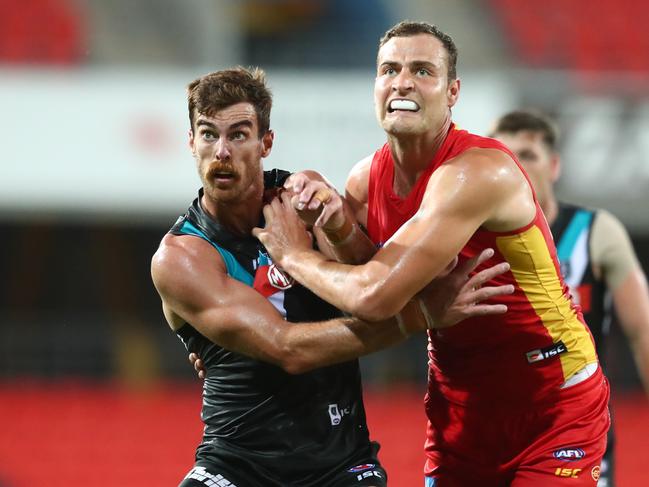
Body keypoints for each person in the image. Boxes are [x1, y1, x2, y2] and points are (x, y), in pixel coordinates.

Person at [253, 21, 611, 486]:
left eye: (422, 70)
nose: (403, 81)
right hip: (459, 405)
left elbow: (374, 297)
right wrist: (338, 222)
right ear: (376, 86)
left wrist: (293, 254)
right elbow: (372, 272)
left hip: (552, 400)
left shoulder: (476, 172)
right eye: (390, 69)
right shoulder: (365, 180)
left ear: (452, 91)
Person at [151, 67, 512, 487]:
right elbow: (287, 350)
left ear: (266, 142)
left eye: (239, 134)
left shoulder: (304, 198)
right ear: (191, 143)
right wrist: (420, 316)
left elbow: (370, 284)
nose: (222, 152)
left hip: (340, 465)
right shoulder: (181, 257)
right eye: (209, 134)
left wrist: (339, 223)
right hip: (235, 465)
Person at [490, 109, 649, 487]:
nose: (516, 167)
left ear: (555, 165)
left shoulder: (597, 233)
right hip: (488, 428)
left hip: (574, 430)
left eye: (527, 155)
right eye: (504, 156)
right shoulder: (468, 236)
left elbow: (642, 332)